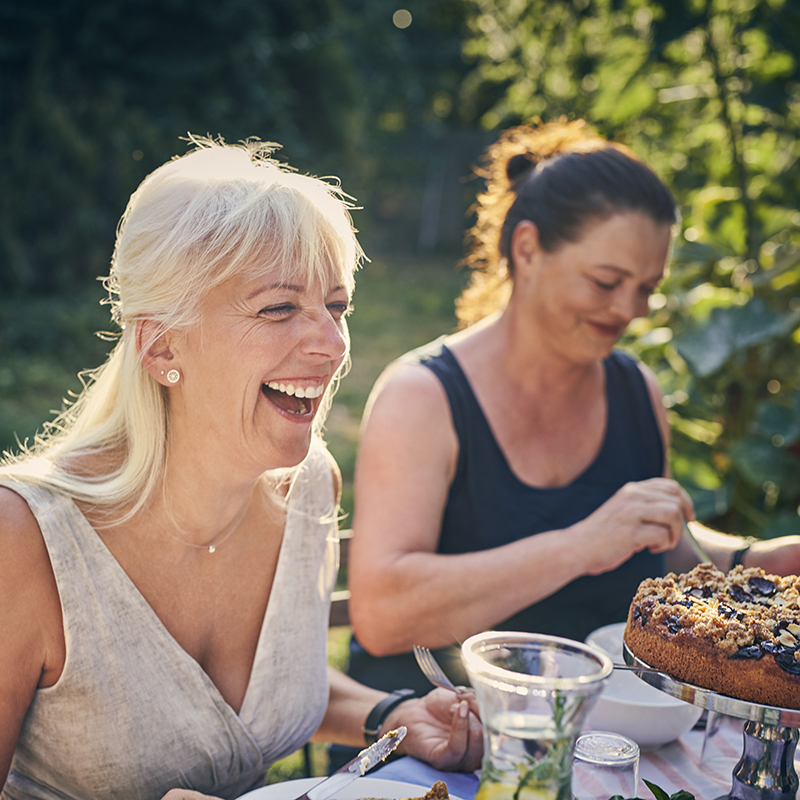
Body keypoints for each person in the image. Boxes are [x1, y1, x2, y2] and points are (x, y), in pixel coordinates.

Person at [0, 138, 482, 800]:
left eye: (336, 306)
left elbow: (270, 689)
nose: (334, 343)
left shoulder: (311, 487)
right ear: (162, 344)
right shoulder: (21, 540)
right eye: (279, 308)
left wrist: (387, 715)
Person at [342, 118, 800, 701]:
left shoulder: (635, 390)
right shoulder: (422, 397)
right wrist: (580, 545)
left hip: (598, 730)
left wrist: (763, 558)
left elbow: (662, 550)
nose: (628, 309)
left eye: (646, 288)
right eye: (606, 281)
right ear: (527, 249)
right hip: (435, 741)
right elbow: (382, 616)